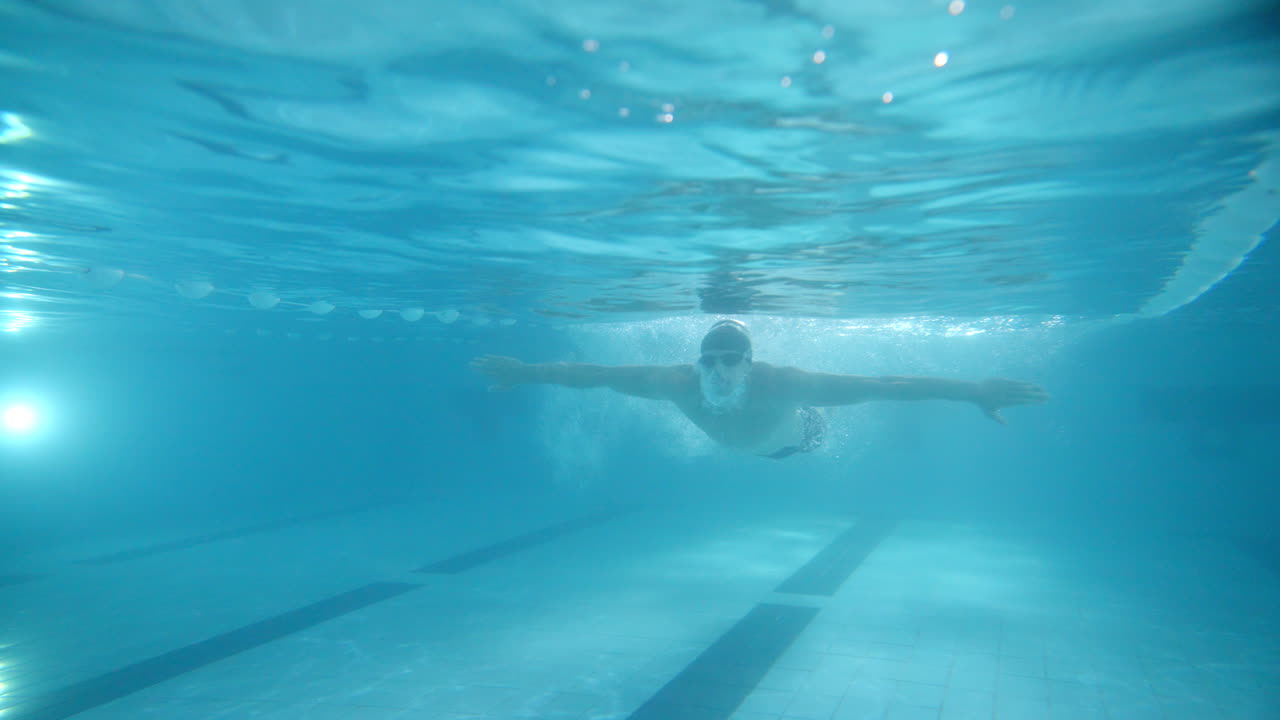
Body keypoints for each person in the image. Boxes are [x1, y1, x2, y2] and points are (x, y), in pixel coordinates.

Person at [470, 319, 1049, 459]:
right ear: (697, 362)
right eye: (709, 361)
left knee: (816, 422)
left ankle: (814, 428)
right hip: (752, 441)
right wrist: (526, 371)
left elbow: (885, 384)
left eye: (732, 361)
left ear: (750, 364)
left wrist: (973, 389)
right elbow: (595, 375)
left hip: (792, 441)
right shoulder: (674, 383)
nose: (719, 372)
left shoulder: (783, 383)